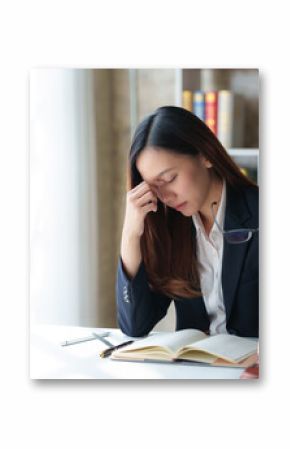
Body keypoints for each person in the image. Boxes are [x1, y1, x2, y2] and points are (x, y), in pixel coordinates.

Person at [116, 106, 259, 356]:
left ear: (205, 155)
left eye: (169, 179)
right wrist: (130, 234)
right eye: (154, 187)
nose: (165, 196)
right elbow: (135, 325)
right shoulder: (171, 227)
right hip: (196, 373)